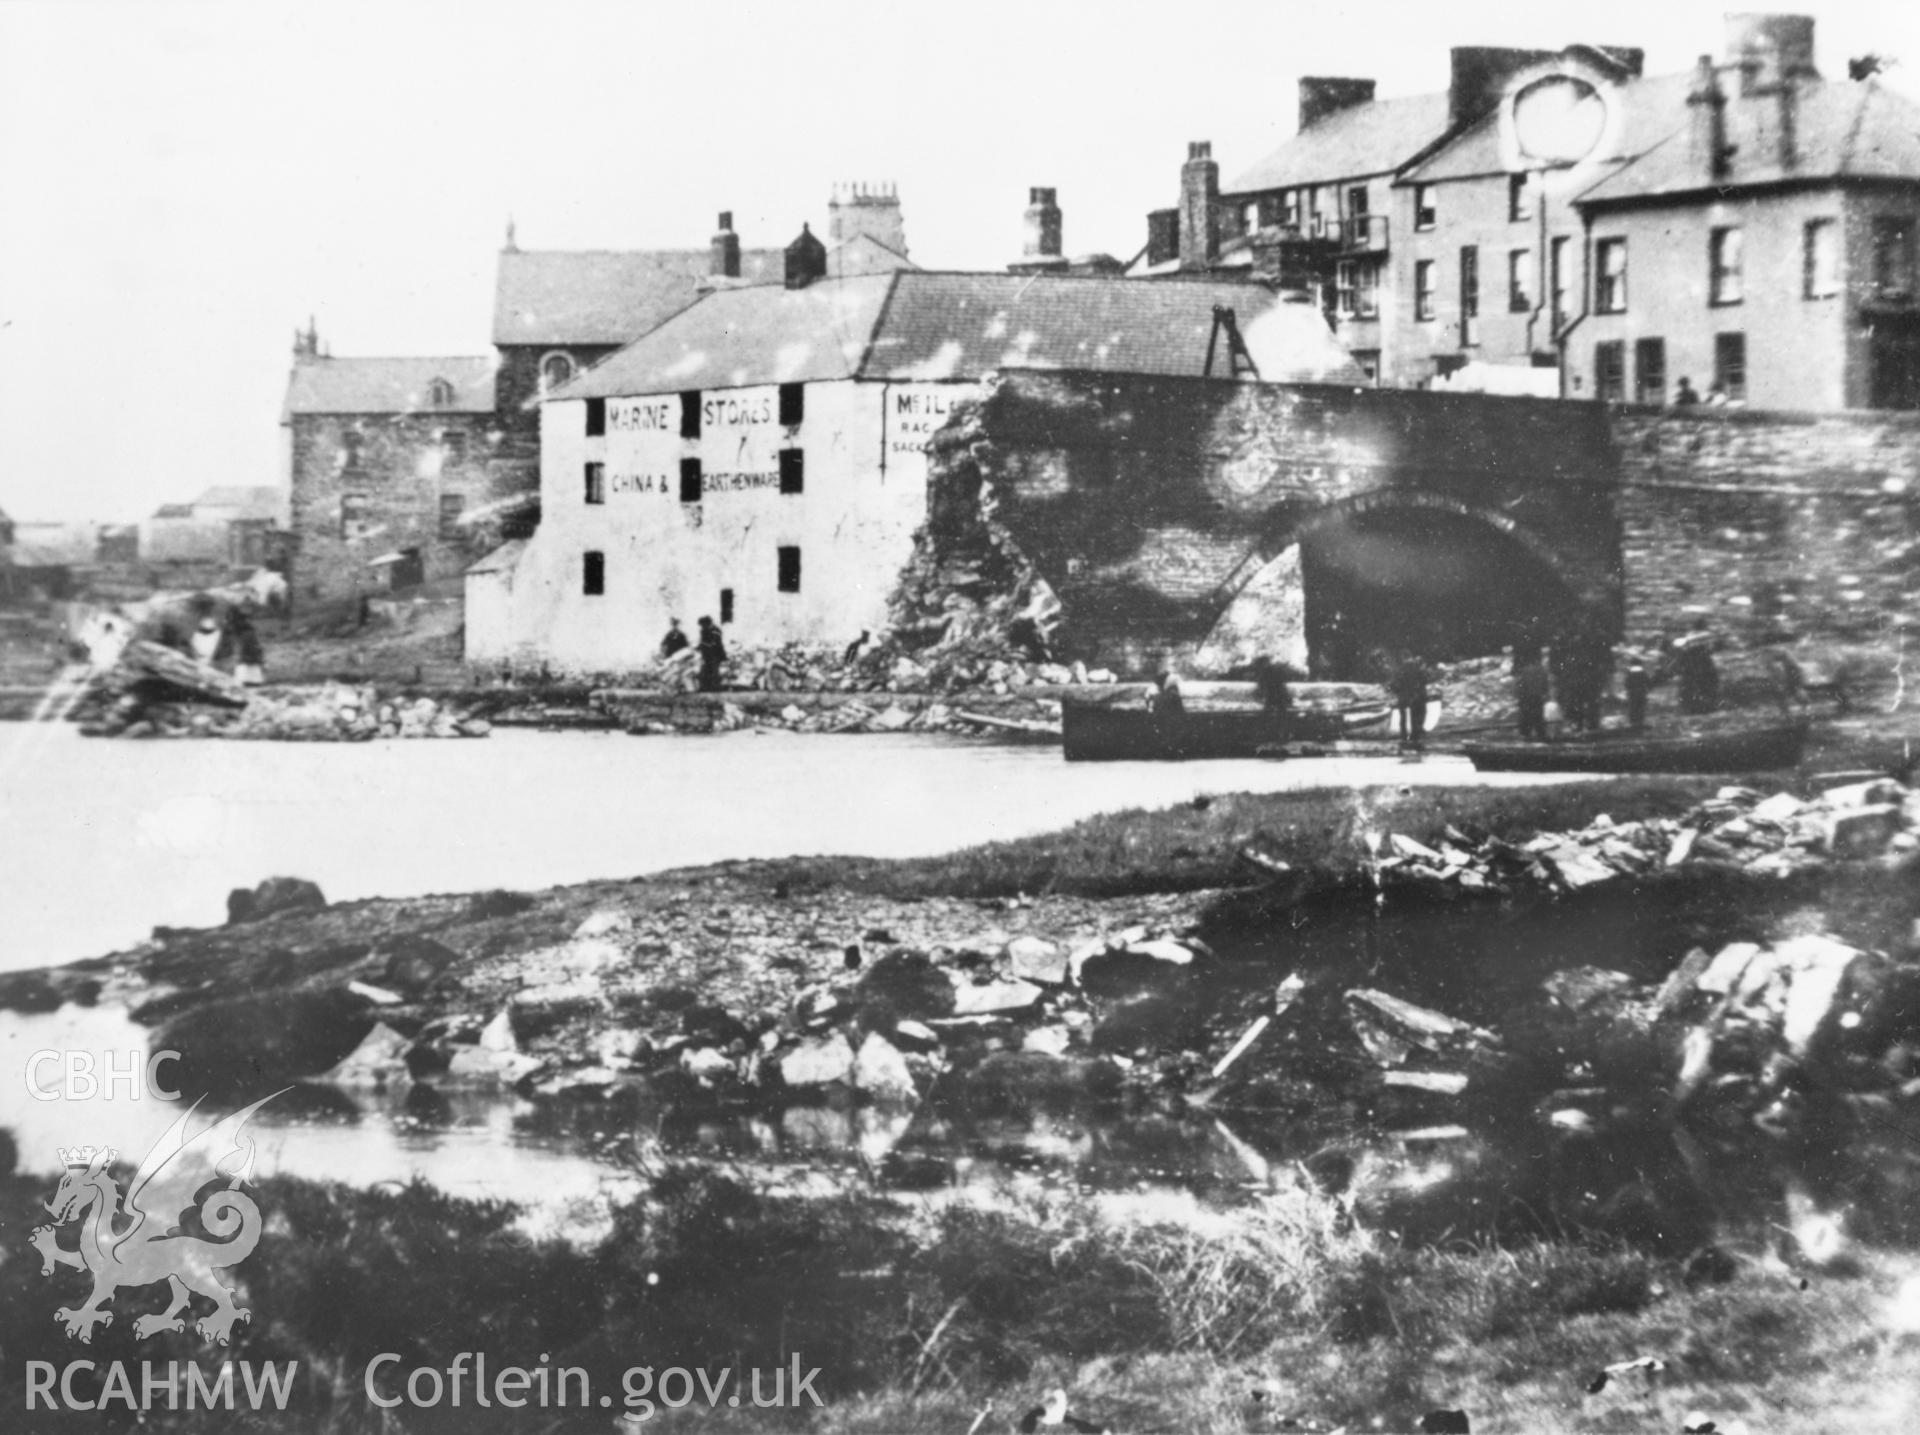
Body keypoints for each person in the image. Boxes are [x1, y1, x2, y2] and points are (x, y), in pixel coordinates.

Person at [1389, 654, 1429, 749]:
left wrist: (1397, 692)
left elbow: (1393, 684)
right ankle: (1414, 738)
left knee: (1403, 719)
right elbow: (1424, 680)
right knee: (1415, 718)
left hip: (1403, 697)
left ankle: (1404, 738)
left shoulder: (1399, 669)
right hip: (1415, 696)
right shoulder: (1417, 668)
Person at [1514, 650, 1551, 741]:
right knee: (1538, 717)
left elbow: (1520, 685)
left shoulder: (1524, 671)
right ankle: (1541, 736)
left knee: (1525, 717)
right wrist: (1545, 694)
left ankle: (1525, 735)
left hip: (1526, 698)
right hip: (1538, 697)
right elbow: (1545, 685)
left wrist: (1519, 696)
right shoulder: (1542, 671)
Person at [695, 616, 727, 693]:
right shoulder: (703, 630)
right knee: (705, 670)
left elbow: (715, 643)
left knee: (714, 670)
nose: (702, 627)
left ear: (708, 623)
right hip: (707, 655)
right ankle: (705, 687)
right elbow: (703, 641)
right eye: (701, 625)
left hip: (716, 654)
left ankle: (715, 687)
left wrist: (704, 645)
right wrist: (699, 647)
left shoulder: (716, 630)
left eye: (703, 625)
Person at [1624, 655, 1651, 731]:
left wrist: (1629, 689)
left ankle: (1633, 722)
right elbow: (1648, 682)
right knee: (1640, 708)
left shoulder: (1630, 673)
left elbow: (1627, 683)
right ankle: (1640, 722)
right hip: (1641, 693)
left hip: (1632, 694)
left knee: (1633, 708)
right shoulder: (1643, 673)